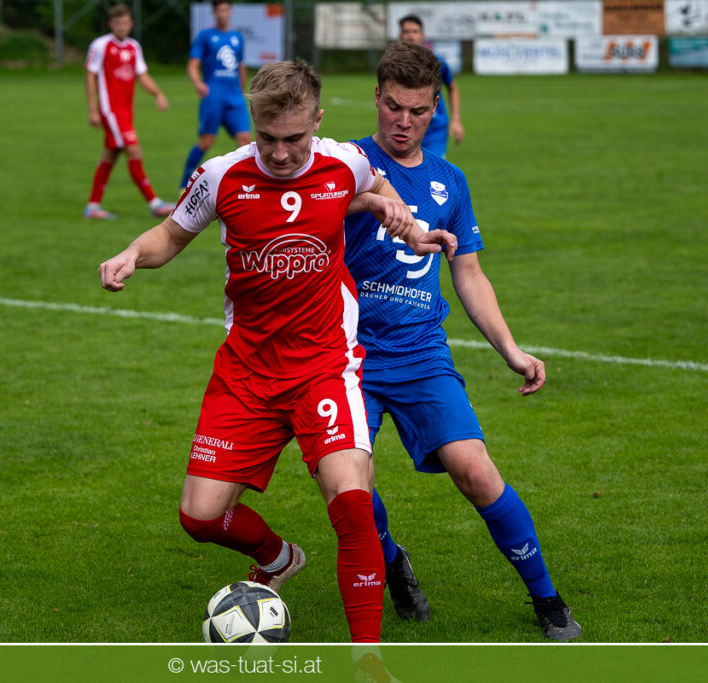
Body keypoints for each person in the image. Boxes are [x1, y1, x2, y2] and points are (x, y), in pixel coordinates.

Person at [100, 59, 457, 643]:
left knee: (352, 501)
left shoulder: (346, 161)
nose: (282, 153)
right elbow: (169, 234)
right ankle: (278, 558)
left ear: (317, 121)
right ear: (253, 123)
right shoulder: (221, 176)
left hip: (324, 365)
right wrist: (131, 255)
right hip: (247, 371)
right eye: (268, 138)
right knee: (200, 516)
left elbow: (378, 190)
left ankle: (368, 661)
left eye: (295, 138)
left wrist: (413, 230)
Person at [342, 41, 582, 641]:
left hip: (421, 352)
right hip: (347, 355)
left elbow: (468, 273)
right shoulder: (344, 164)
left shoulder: (450, 181)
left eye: (418, 111)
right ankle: (393, 562)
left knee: (474, 470)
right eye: (393, 106)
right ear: (376, 98)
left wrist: (511, 350)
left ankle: (547, 599)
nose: (403, 121)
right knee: (350, 488)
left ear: (436, 110)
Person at [83, 3, 175, 220]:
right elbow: (90, 75)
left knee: (110, 155)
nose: (121, 26)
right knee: (134, 150)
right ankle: (154, 203)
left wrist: (158, 94)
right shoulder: (101, 45)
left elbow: (142, 76)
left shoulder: (134, 47)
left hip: (125, 111)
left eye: (125, 23)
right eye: (117, 23)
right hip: (110, 110)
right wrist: (93, 109)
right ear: (110, 24)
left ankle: (93, 206)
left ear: (131, 24)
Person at [178, 0, 252, 191]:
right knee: (206, 141)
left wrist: (242, 90)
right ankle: (184, 185)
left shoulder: (237, 37)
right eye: (219, 10)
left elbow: (240, 66)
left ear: (230, 11)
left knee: (245, 141)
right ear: (214, 12)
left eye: (225, 10)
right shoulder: (205, 36)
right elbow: (193, 65)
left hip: (234, 98)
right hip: (213, 97)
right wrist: (198, 84)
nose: (222, 14)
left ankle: (244, 187)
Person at [397, 14, 464, 158]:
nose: (410, 36)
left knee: (432, 168)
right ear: (400, 35)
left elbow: (452, 88)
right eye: (406, 32)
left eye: (415, 31)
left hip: (434, 128)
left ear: (422, 35)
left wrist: (456, 120)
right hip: (404, 128)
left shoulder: (436, 62)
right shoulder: (394, 65)